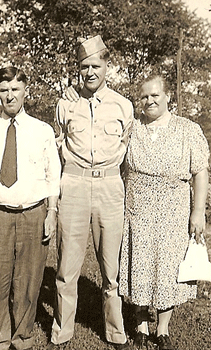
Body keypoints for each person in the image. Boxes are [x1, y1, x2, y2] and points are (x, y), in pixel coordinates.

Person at [48, 35, 134, 350]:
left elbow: (127, 149)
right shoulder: (64, 104)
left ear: (107, 66)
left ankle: (115, 332)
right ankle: (62, 332)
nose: (90, 72)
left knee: (111, 270)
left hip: (111, 187)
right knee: (67, 268)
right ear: (78, 69)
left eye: (95, 65)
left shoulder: (124, 106)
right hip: (73, 184)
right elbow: (57, 145)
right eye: (84, 67)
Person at [0, 66, 61, 350]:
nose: (10, 95)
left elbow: (53, 176)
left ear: (25, 91)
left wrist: (52, 213)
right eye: (4, 90)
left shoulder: (42, 131)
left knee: (29, 283)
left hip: (34, 214)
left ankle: (22, 337)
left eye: (15, 89)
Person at [119, 74, 209, 350]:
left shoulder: (187, 129)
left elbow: (200, 172)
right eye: (144, 96)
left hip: (174, 211)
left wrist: (198, 212)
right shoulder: (132, 128)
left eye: (155, 95)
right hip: (137, 210)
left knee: (168, 268)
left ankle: (163, 329)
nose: (149, 100)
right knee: (140, 264)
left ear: (168, 96)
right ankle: (141, 324)